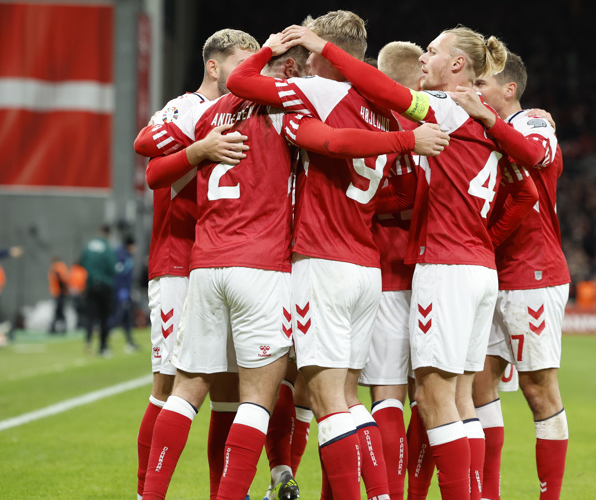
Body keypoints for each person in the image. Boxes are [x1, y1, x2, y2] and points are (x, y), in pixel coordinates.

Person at [139, 29, 447, 500]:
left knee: (183, 392)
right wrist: (404, 141)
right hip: (273, 266)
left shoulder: (208, 114)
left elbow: (152, 166)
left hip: (206, 263)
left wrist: (198, 151)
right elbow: (334, 141)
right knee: (287, 397)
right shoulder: (289, 112)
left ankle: (152, 494)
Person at [281, 24, 542, 499]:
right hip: (479, 268)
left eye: (434, 50)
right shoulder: (483, 119)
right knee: (460, 399)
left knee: (432, 398)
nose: (425, 57)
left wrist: (324, 48)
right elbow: (526, 186)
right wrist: (485, 236)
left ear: (457, 64)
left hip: (441, 266)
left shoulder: (443, 107)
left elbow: (385, 90)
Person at [228, 12, 448, 499]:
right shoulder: (383, 107)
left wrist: (269, 49)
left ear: (327, 54)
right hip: (365, 266)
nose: (305, 63)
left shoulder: (321, 92)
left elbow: (239, 82)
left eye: (310, 54)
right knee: (349, 398)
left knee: (327, 400)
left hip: (322, 260)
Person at [133, 28, 259, 500]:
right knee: (168, 386)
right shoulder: (187, 108)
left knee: (228, 392)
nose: (248, 74)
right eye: (241, 64)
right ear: (213, 65)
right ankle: (146, 493)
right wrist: (198, 148)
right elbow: (149, 158)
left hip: (223, 263)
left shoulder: (245, 112)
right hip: (178, 263)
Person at [452, 52, 570, 500]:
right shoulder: (481, 130)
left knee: (539, 390)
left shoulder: (533, 124)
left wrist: (486, 117)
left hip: (533, 272)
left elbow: (535, 155)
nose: (475, 90)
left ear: (509, 89)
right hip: (488, 273)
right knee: (478, 385)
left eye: (483, 84)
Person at [361, 40, 425, 500]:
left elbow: (394, 194)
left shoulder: (379, 125)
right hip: (431, 274)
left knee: (382, 395)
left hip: (382, 270)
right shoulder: (441, 124)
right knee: (434, 397)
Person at [80, 224, 117, 357]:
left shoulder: (89, 246)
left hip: (90, 284)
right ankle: (103, 346)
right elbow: (113, 267)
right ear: (108, 233)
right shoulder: (107, 248)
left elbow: (82, 263)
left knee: (90, 315)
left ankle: (88, 341)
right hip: (104, 285)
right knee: (104, 317)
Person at [111, 236, 139, 352]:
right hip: (121, 291)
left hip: (124, 290)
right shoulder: (122, 256)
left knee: (127, 316)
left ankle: (130, 342)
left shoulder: (124, 255)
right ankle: (104, 342)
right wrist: (122, 291)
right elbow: (119, 275)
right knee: (118, 315)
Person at [48, 256, 69, 334]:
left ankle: (55, 327)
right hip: (60, 292)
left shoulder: (56, 267)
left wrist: (61, 290)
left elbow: (60, 279)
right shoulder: (62, 266)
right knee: (59, 311)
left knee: (58, 310)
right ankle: (58, 327)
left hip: (59, 292)